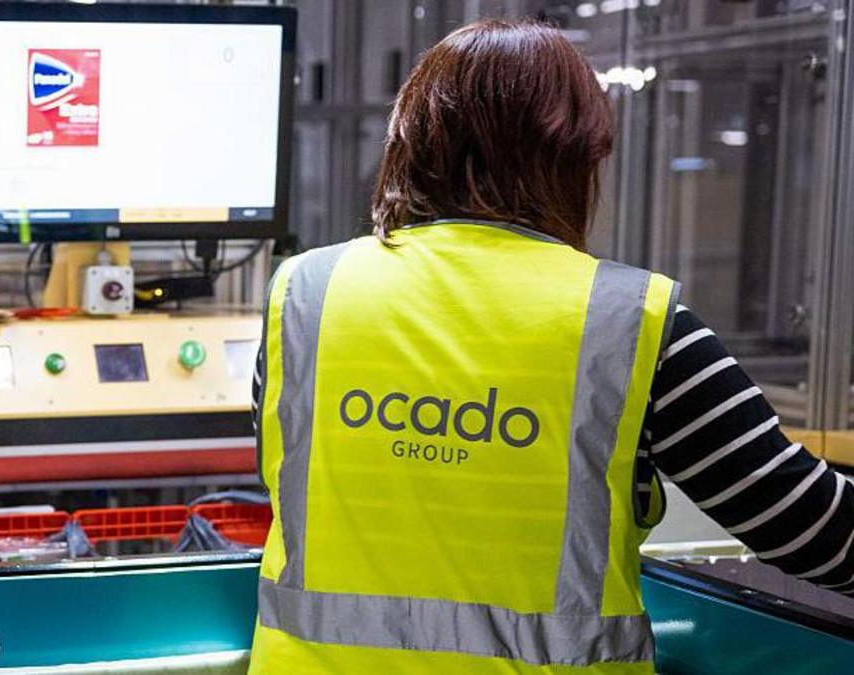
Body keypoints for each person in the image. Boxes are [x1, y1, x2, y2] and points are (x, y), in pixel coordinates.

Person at [247, 19, 854, 674]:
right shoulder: (635, 323)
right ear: (576, 161)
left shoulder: (305, 295)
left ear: (409, 143)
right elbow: (819, 534)